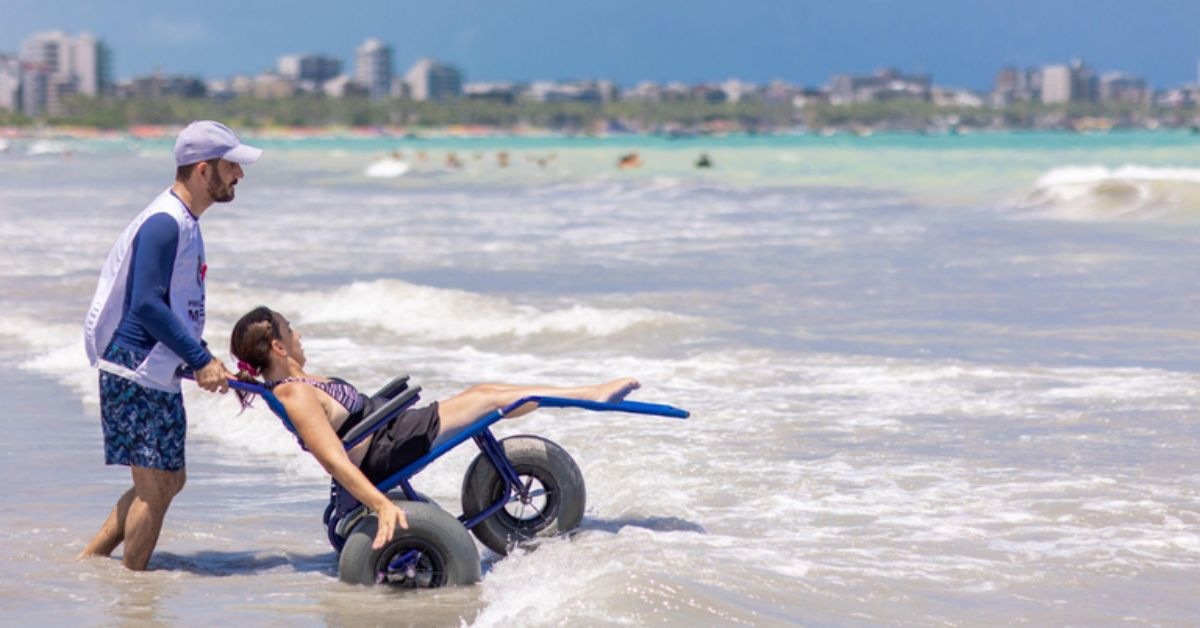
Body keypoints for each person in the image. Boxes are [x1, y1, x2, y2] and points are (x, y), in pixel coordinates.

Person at [229, 306, 640, 551]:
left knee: (485, 391)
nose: (298, 332)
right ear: (279, 348)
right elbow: (332, 459)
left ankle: (587, 392)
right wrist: (381, 505)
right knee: (490, 399)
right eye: (290, 328)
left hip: (390, 433)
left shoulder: (297, 382)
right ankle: (591, 394)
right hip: (386, 449)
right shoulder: (292, 394)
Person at [79, 121, 263, 570]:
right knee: (155, 487)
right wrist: (198, 359)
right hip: (134, 369)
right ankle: (134, 594)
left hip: (151, 369)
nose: (240, 175)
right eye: (231, 165)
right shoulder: (165, 222)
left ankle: (91, 562)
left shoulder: (184, 221)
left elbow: (175, 306)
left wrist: (206, 359)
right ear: (203, 170)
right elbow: (145, 304)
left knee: (169, 480)